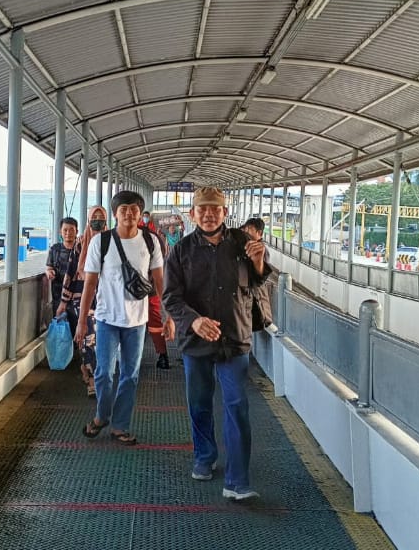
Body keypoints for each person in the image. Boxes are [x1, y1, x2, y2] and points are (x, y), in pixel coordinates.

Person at [164, 186, 272, 501]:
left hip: (234, 338)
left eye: (215, 209)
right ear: (192, 214)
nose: (209, 214)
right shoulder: (181, 251)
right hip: (196, 340)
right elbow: (171, 297)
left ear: (225, 212)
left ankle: (238, 481)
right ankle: (204, 455)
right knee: (199, 403)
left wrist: (259, 263)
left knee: (237, 406)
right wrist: (194, 321)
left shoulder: (242, 243)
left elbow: (258, 281)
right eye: (203, 209)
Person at [76, 191, 173, 445]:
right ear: (115, 214)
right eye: (123, 209)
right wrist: (82, 321)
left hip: (137, 322)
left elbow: (160, 281)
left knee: (130, 376)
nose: (129, 213)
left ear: (140, 214)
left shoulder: (150, 241)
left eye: (134, 209)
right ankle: (102, 416)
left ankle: (119, 426)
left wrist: (168, 315)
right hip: (107, 319)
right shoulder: (101, 242)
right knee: (104, 374)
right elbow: (90, 283)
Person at [56, 207, 107, 397]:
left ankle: (87, 368)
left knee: (99, 340)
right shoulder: (80, 245)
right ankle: (93, 381)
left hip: (104, 298)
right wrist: (64, 301)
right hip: (81, 298)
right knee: (88, 337)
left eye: (101, 217)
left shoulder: (111, 242)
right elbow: (70, 273)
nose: (97, 220)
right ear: (88, 219)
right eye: (94, 217)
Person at [138, 213, 170, 369]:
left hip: (140, 290)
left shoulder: (151, 238)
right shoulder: (155, 238)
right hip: (151, 289)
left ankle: (134, 358)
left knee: (141, 324)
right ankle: (162, 355)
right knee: (155, 322)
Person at [46, 217, 79, 339]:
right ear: (60, 231)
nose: (68, 233)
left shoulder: (81, 250)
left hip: (76, 297)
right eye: (65, 230)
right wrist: (49, 272)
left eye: (71, 230)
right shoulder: (55, 249)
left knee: (76, 329)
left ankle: (77, 350)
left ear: (77, 231)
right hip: (58, 296)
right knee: (61, 330)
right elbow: (49, 267)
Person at [240, 217, 274, 332]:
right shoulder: (245, 246)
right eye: (245, 229)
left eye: (249, 229)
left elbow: (260, 277)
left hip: (254, 300)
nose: (245, 232)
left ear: (259, 233)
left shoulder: (262, 250)